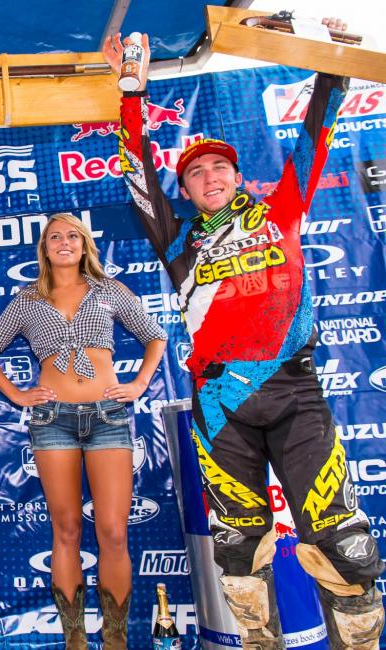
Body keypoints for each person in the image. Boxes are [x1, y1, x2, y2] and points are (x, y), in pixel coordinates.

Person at [105, 22, 384, 649]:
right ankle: (260, 643)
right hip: (219, 403)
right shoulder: (176, 238)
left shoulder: (283, 208)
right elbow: (134, 163)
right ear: (183, 189)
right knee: (237, 550)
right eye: (195, 172)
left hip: (294, 393)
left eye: (218, 167)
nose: (208, 176)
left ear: (236, 176)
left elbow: (315, 136)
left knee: (340, 540)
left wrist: (331, 68)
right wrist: (130, 93)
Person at [0, 213, 167, 649]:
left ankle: (114, 636)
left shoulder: (110, 290)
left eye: (73, 236)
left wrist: (138, 384)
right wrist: (18, 394)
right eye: (55, 237)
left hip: (109, 417)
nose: (64, 242)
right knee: (66, 529)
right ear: (44, 248)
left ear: (85, 246)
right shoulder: (28, 299)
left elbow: (155, 336)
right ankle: (74, 636)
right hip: (52, 419)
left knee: (114, 531)